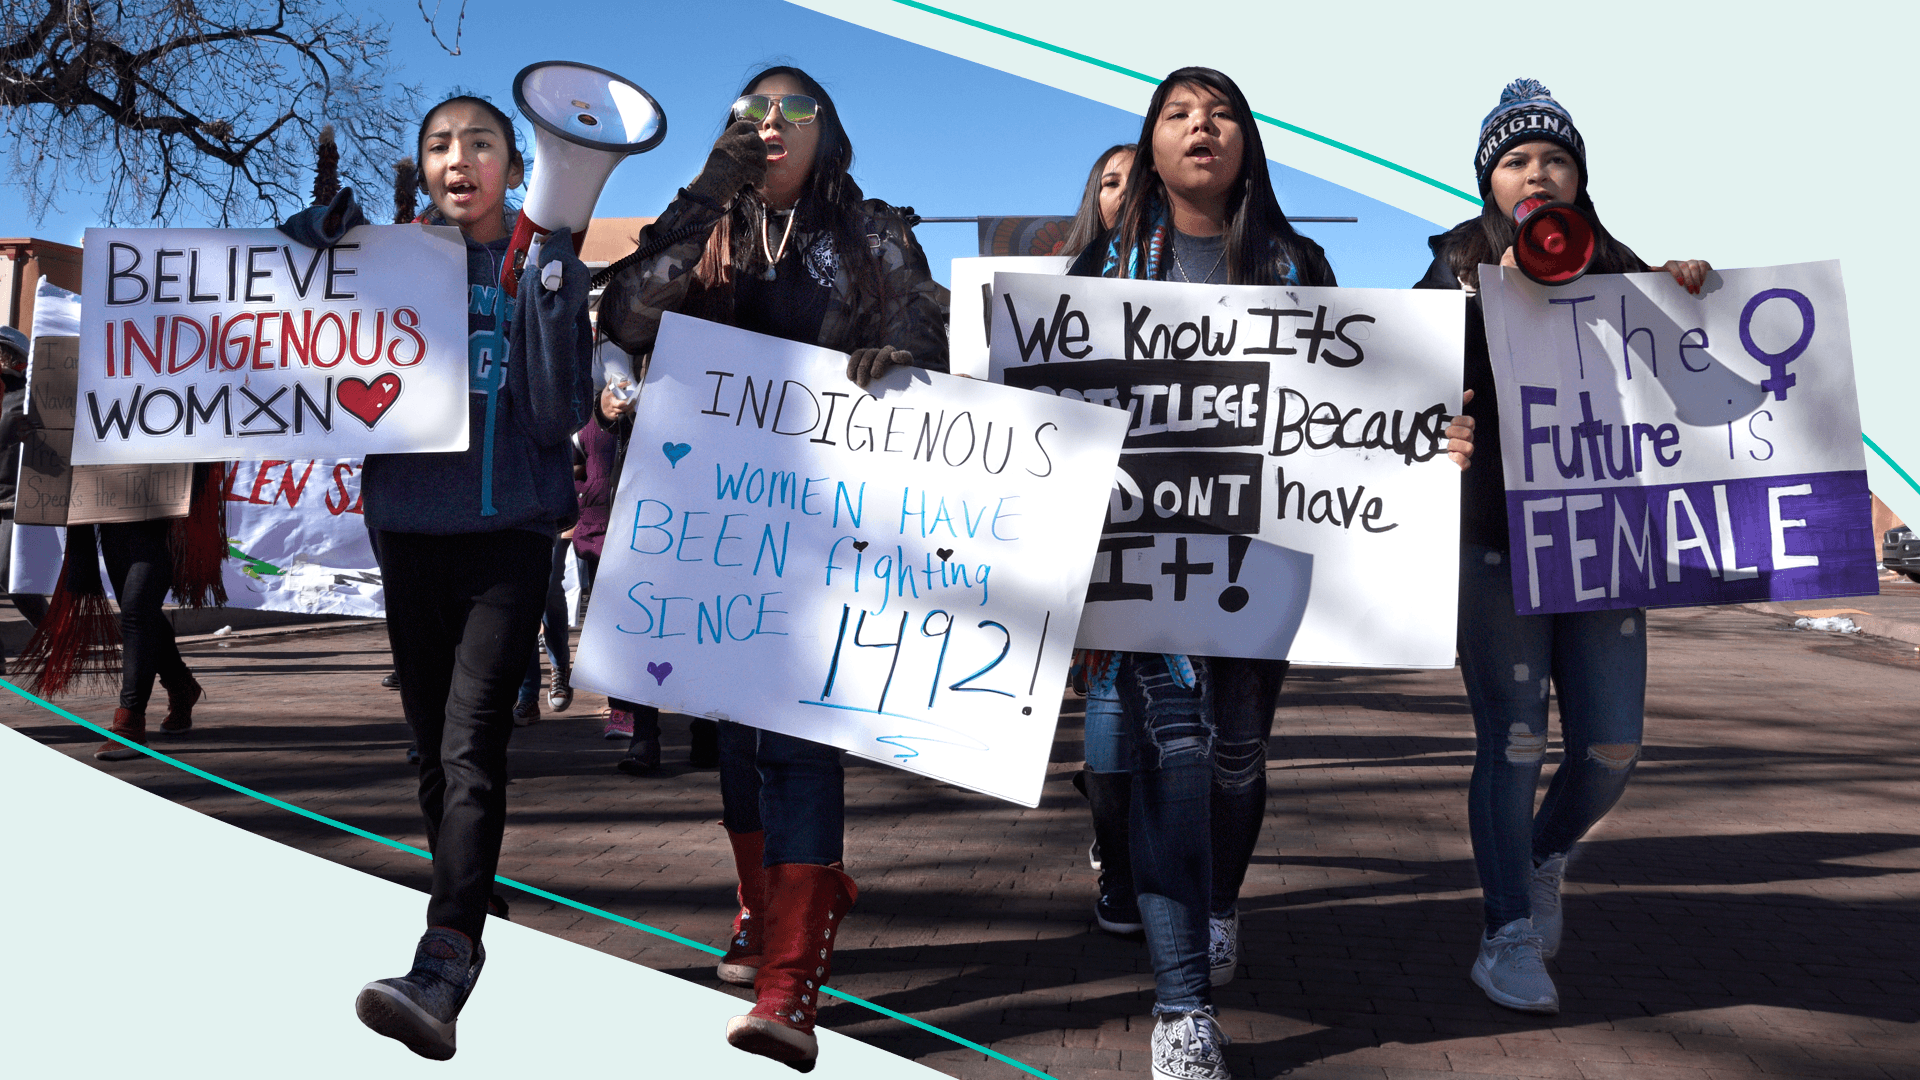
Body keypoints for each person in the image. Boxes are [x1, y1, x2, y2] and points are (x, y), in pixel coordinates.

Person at [1068, 67, 1472, 1080]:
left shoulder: (1297, 260)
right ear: (1151, 145)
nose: (1201, 129)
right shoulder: (1104, 266)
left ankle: (1217, 903)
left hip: (1265, 557)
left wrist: (1433, 436)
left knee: (1237, 759)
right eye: (1177, 114)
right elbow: (1043, 403)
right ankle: (1182, 1008)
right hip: (1142, 560)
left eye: (1222, 115)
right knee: (1175, 756)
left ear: (1247, 142)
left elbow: (1362, 398)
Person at [596, 64, 945, 1072]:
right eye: (752, 112)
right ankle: (770, 901)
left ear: (829, 132)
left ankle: (793, 979)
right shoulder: (712, 227)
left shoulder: (869, 233)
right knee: (738, 746)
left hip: (826, 523)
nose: (774, 125)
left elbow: (920, 318)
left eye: (797, 109)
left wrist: (901, 350)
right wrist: (710, 186)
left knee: (797, 745)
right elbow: (627, 314)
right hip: (716, 524)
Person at [278, 92, 596, 1060]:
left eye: (482, 144)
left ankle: (448, 953)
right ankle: (462, 878)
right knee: (428, 745)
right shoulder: (382, 258)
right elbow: (258, 298)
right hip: (409, 529)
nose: (459, 158)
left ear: (514, 164)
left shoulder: (540, 262)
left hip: (509, 536)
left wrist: (547, 289)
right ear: (422, 166)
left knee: (468, 747)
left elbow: (558, 417)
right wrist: (310, 233)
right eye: (439, 145)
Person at [1413, 78, 1708, 1016]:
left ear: (1579, 178)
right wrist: (1438, 426)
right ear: (1488, 184)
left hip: (1600, 540)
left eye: (1555, 159)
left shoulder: (1620, 266)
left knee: (1613, 744)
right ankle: (1504, 933)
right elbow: (1405, 393)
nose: (1536, 173)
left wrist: (1694, 291)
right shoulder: (1451, 268)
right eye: (1515, 161)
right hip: (1496, 538)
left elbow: (1695, 379)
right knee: (1512, 738)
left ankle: (1541, 855)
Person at [1057, 143, 1135, 257]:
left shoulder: (1170, 265)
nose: (1126, 190)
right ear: (1094, 199)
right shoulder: (1062, 269)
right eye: (1112, 183)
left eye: (1138, 182)